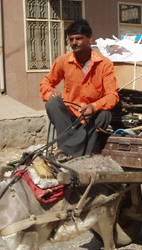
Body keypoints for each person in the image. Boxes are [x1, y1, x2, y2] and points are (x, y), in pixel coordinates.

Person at [39, 19, 119, 162]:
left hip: (91, 116)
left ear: (89, 38)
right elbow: (46, 83)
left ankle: (63, 151)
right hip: (70, 114)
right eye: (71, 39)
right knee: (52, 103)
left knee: (105, 115)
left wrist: (94, 107)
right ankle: (71, 153)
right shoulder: (62, 61)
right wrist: (50, 92)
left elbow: (112, 95)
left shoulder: (104, 64)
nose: (75, 42)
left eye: (79, 38)